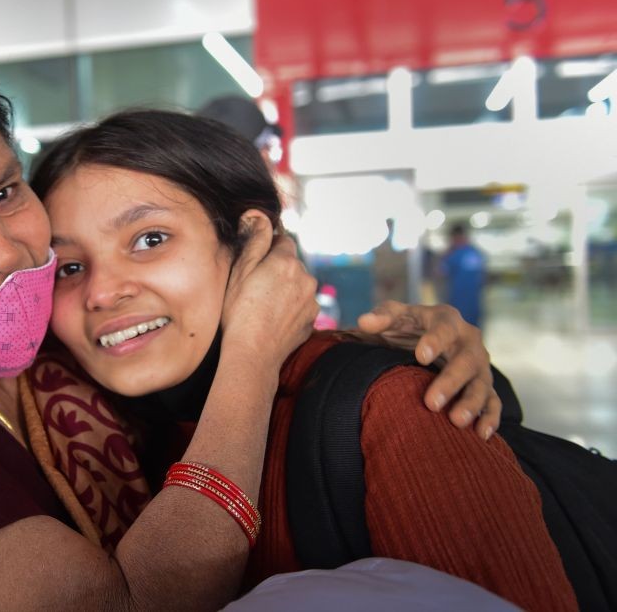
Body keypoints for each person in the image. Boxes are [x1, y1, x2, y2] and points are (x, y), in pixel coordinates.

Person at [0, 62, 501, 611]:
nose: (6, 250)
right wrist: (250, 355)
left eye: (3, 193)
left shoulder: (64, 356)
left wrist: (430, 361)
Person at [28, 109, 577, 611]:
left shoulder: (387, 413)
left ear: (251, 241)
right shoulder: (86, 433)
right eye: (69, 268)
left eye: (150, 238)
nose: (101, 293)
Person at [442, 222, 487, 327]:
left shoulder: (452, 255)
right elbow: (483, 276)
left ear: (455, 237)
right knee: (474, 332)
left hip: (458, 302)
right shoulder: (476, 252)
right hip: (474, 302)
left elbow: (440, 273)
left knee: (459, 332)